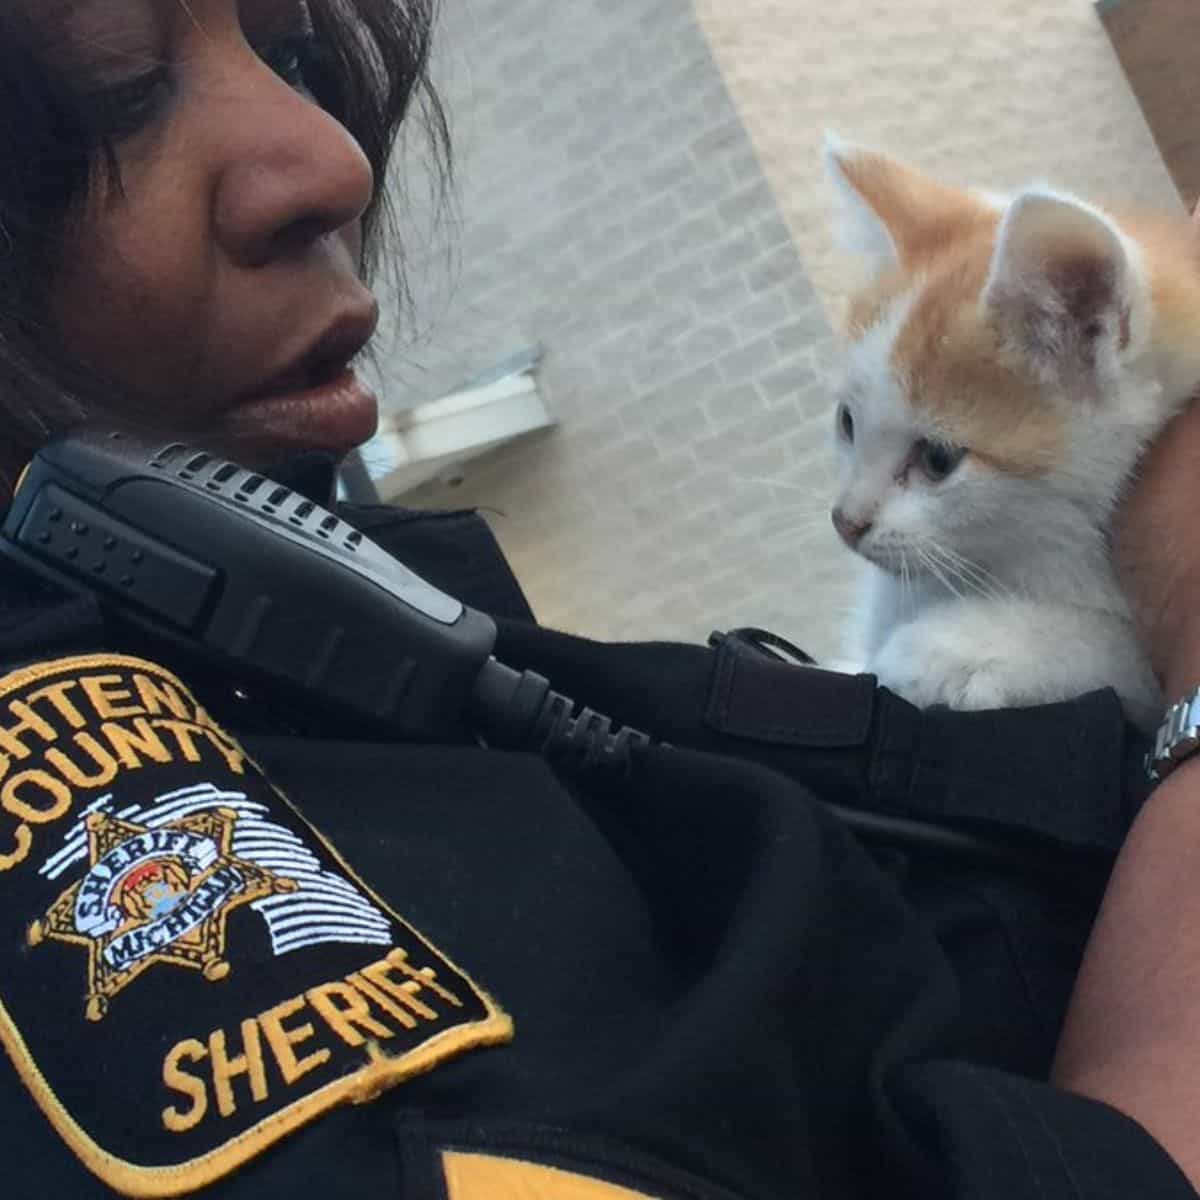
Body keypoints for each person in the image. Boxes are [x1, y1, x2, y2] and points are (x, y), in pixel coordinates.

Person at [0, 2, 1197, 1198]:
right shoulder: (85, 796)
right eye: (120, 90)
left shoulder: (337, 639)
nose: (335, 157)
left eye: (299, 57)